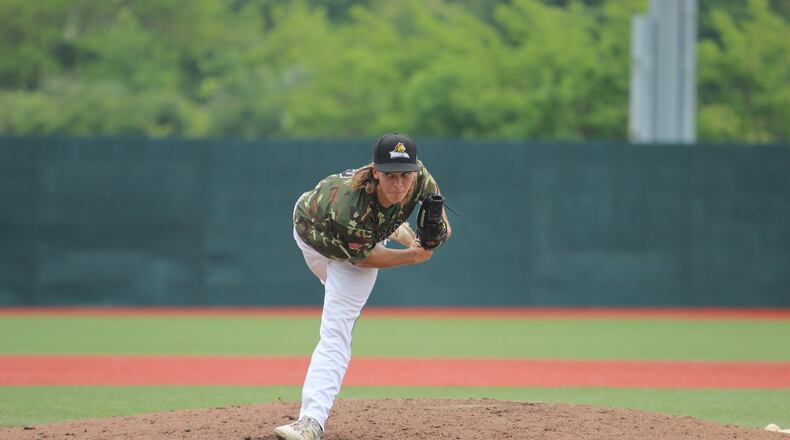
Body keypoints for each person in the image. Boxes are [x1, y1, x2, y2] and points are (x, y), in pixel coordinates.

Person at [274, 133, 452, 440]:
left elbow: (444, 224)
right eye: (391, 176)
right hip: (314, 234)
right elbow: (364, 259)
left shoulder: (419, 175)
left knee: (336, 328)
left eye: (405, 176)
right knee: (352, 273)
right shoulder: (350, 209)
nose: (399, 184)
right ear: (375, 172)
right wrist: (412, 255)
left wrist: (436, 237)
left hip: (358, 236)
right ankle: (394, 230)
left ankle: (311, 421)